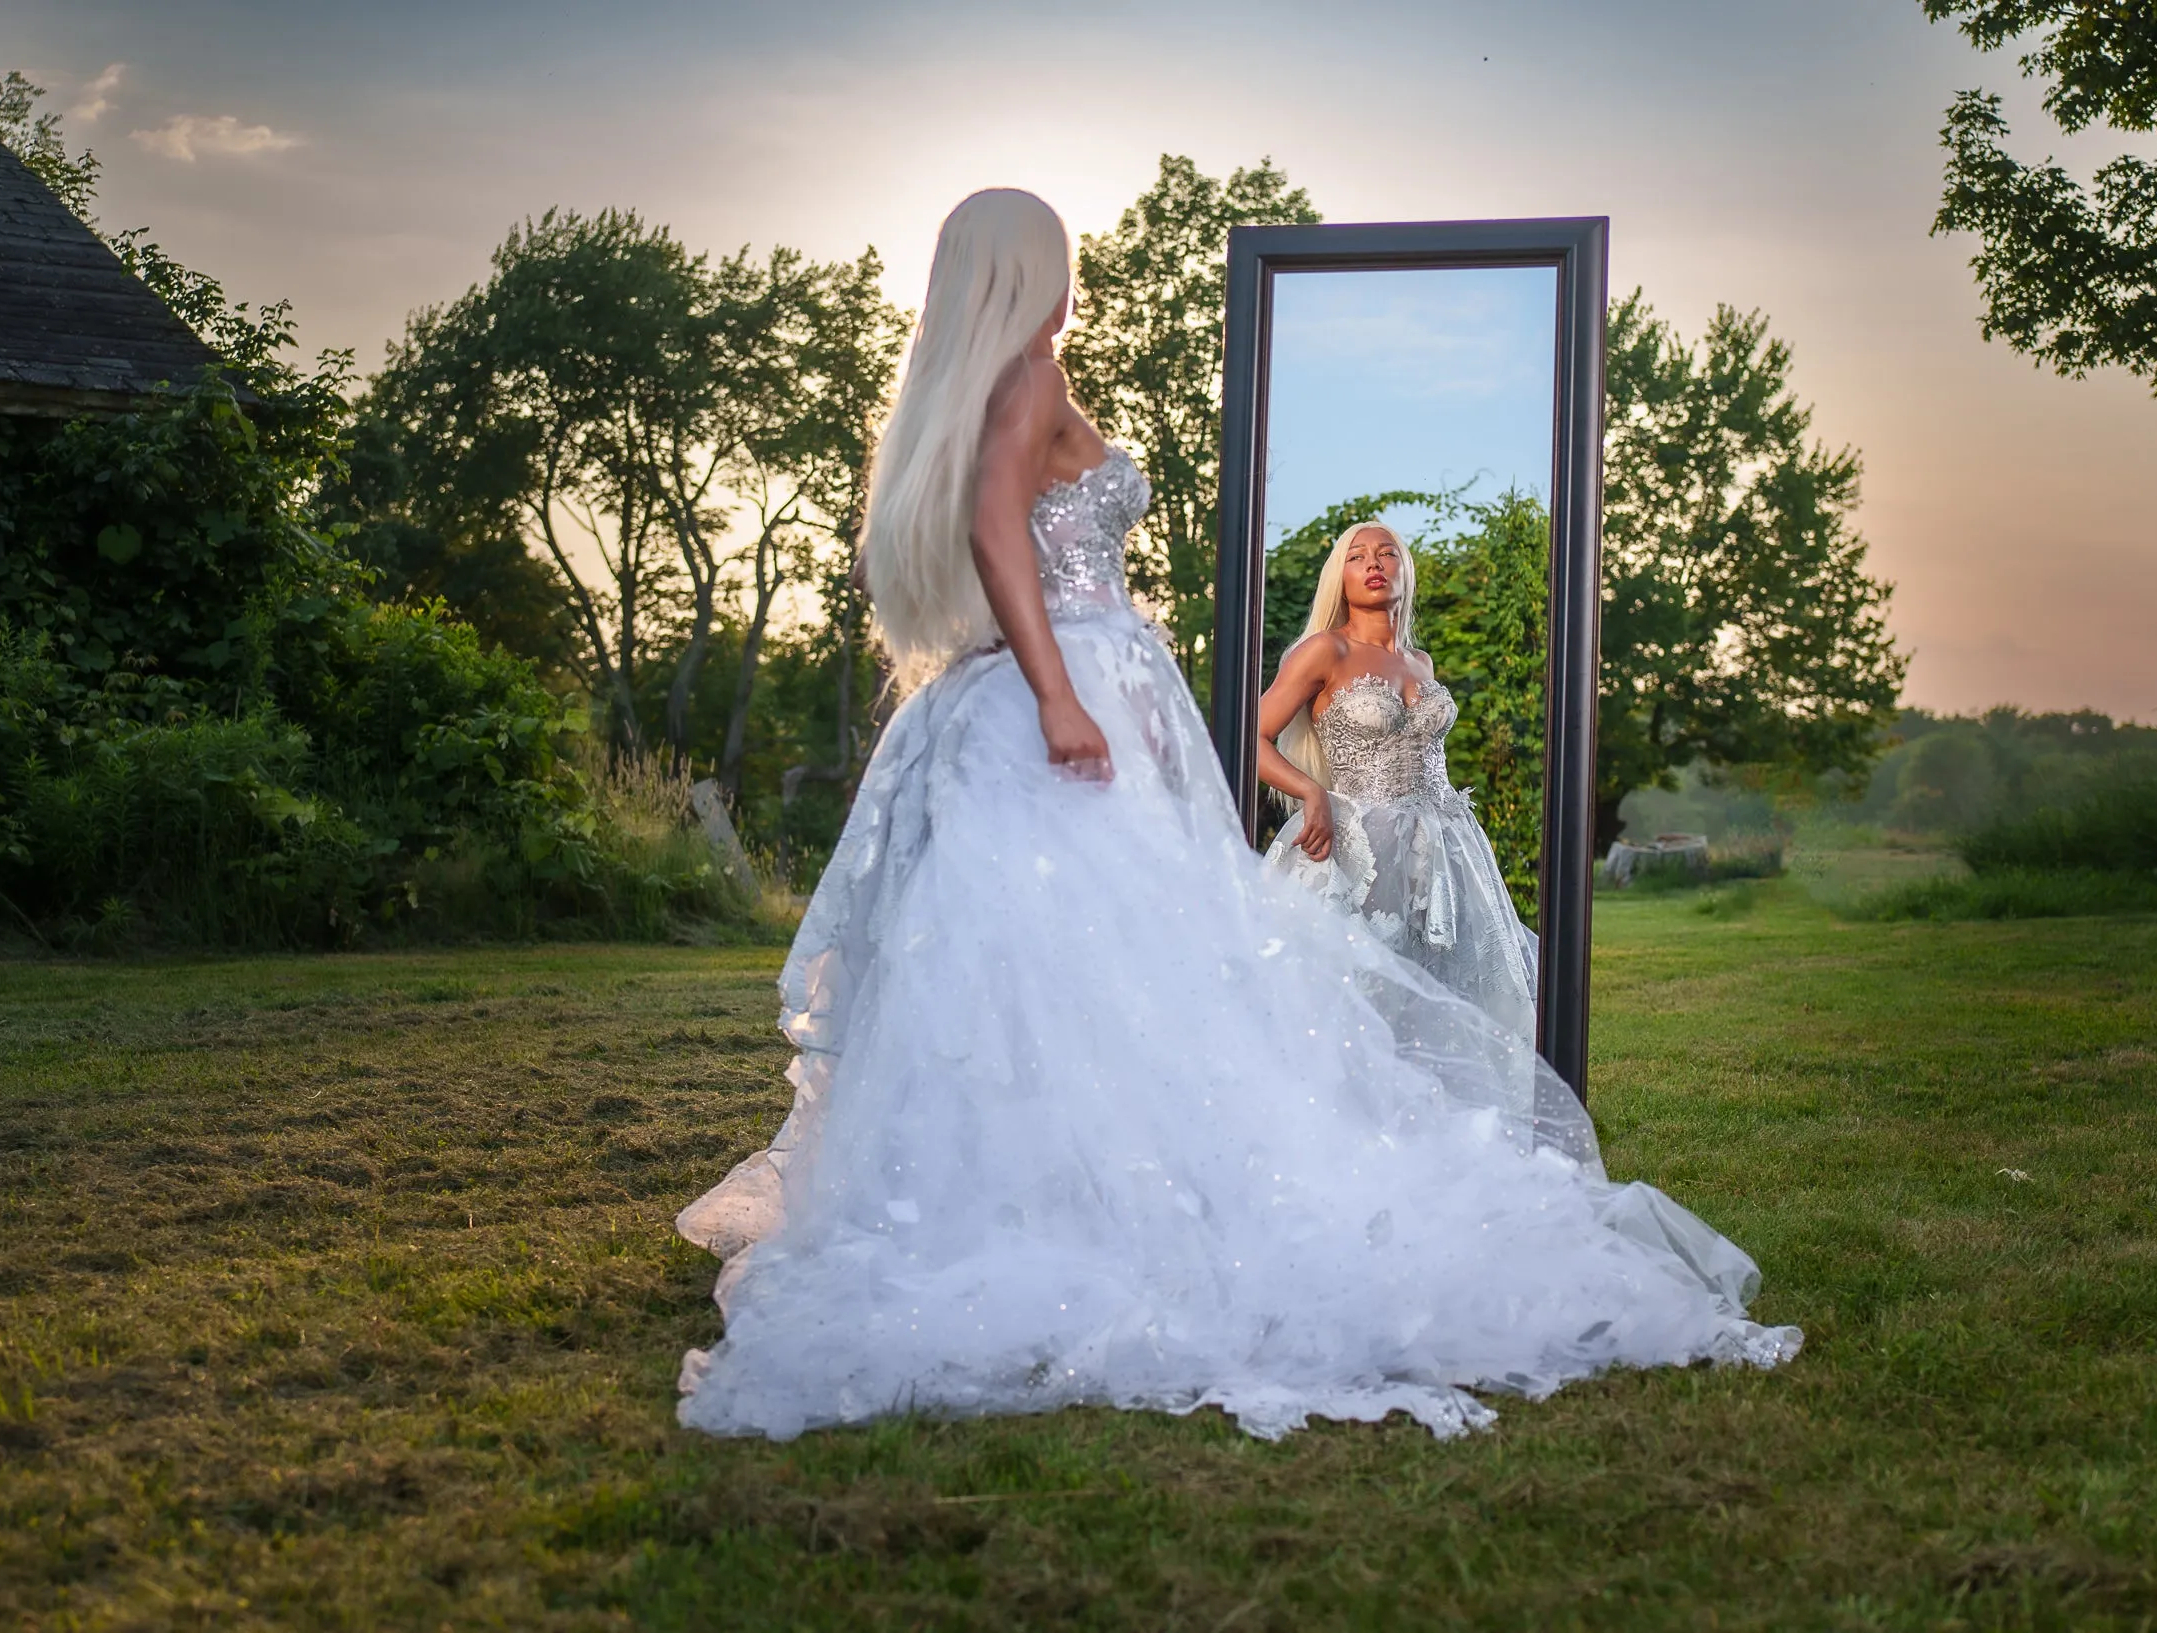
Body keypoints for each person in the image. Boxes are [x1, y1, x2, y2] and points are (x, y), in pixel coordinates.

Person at [673, 188, 1799, 1444]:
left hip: (1052, 684)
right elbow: (1002, 533)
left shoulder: (993, 383)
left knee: (1053, 965)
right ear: (1023, 271)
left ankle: (1053, 1194)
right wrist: (1061, 694)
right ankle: (1076, 1211)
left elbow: (1012, 539)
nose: (1071, 284)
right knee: (1078, 959)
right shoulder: (1028, 378)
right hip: (1056, 690)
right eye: (1061, 262)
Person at [1256, 522, 1539, 1041]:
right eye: (1357, 555)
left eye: (1388, 553)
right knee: (1361, 990)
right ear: (1338, 577)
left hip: (1447, 848)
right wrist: (1310, 790)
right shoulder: (1325, 651)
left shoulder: (1420, 662)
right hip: (1362, 848)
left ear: (1405, 571)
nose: (1374, 563)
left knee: (1445, 993)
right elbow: (1250, 736)